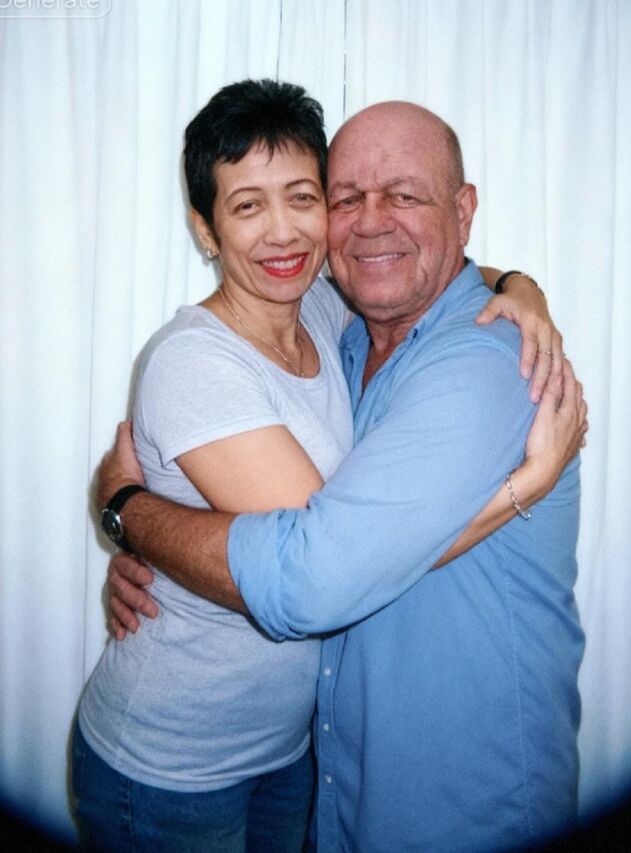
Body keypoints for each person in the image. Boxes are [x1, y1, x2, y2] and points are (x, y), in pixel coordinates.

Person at [92, 87, 586, 852]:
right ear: (206, 228)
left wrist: (522, 285)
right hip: (184, 761)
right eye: (347, 197)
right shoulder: (275, 342)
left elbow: (320, 571)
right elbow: (322, 565)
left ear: (463, 210)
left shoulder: (419, 340)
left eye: (303, 197)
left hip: (400, 786)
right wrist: (126, 512)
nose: (368, 220)